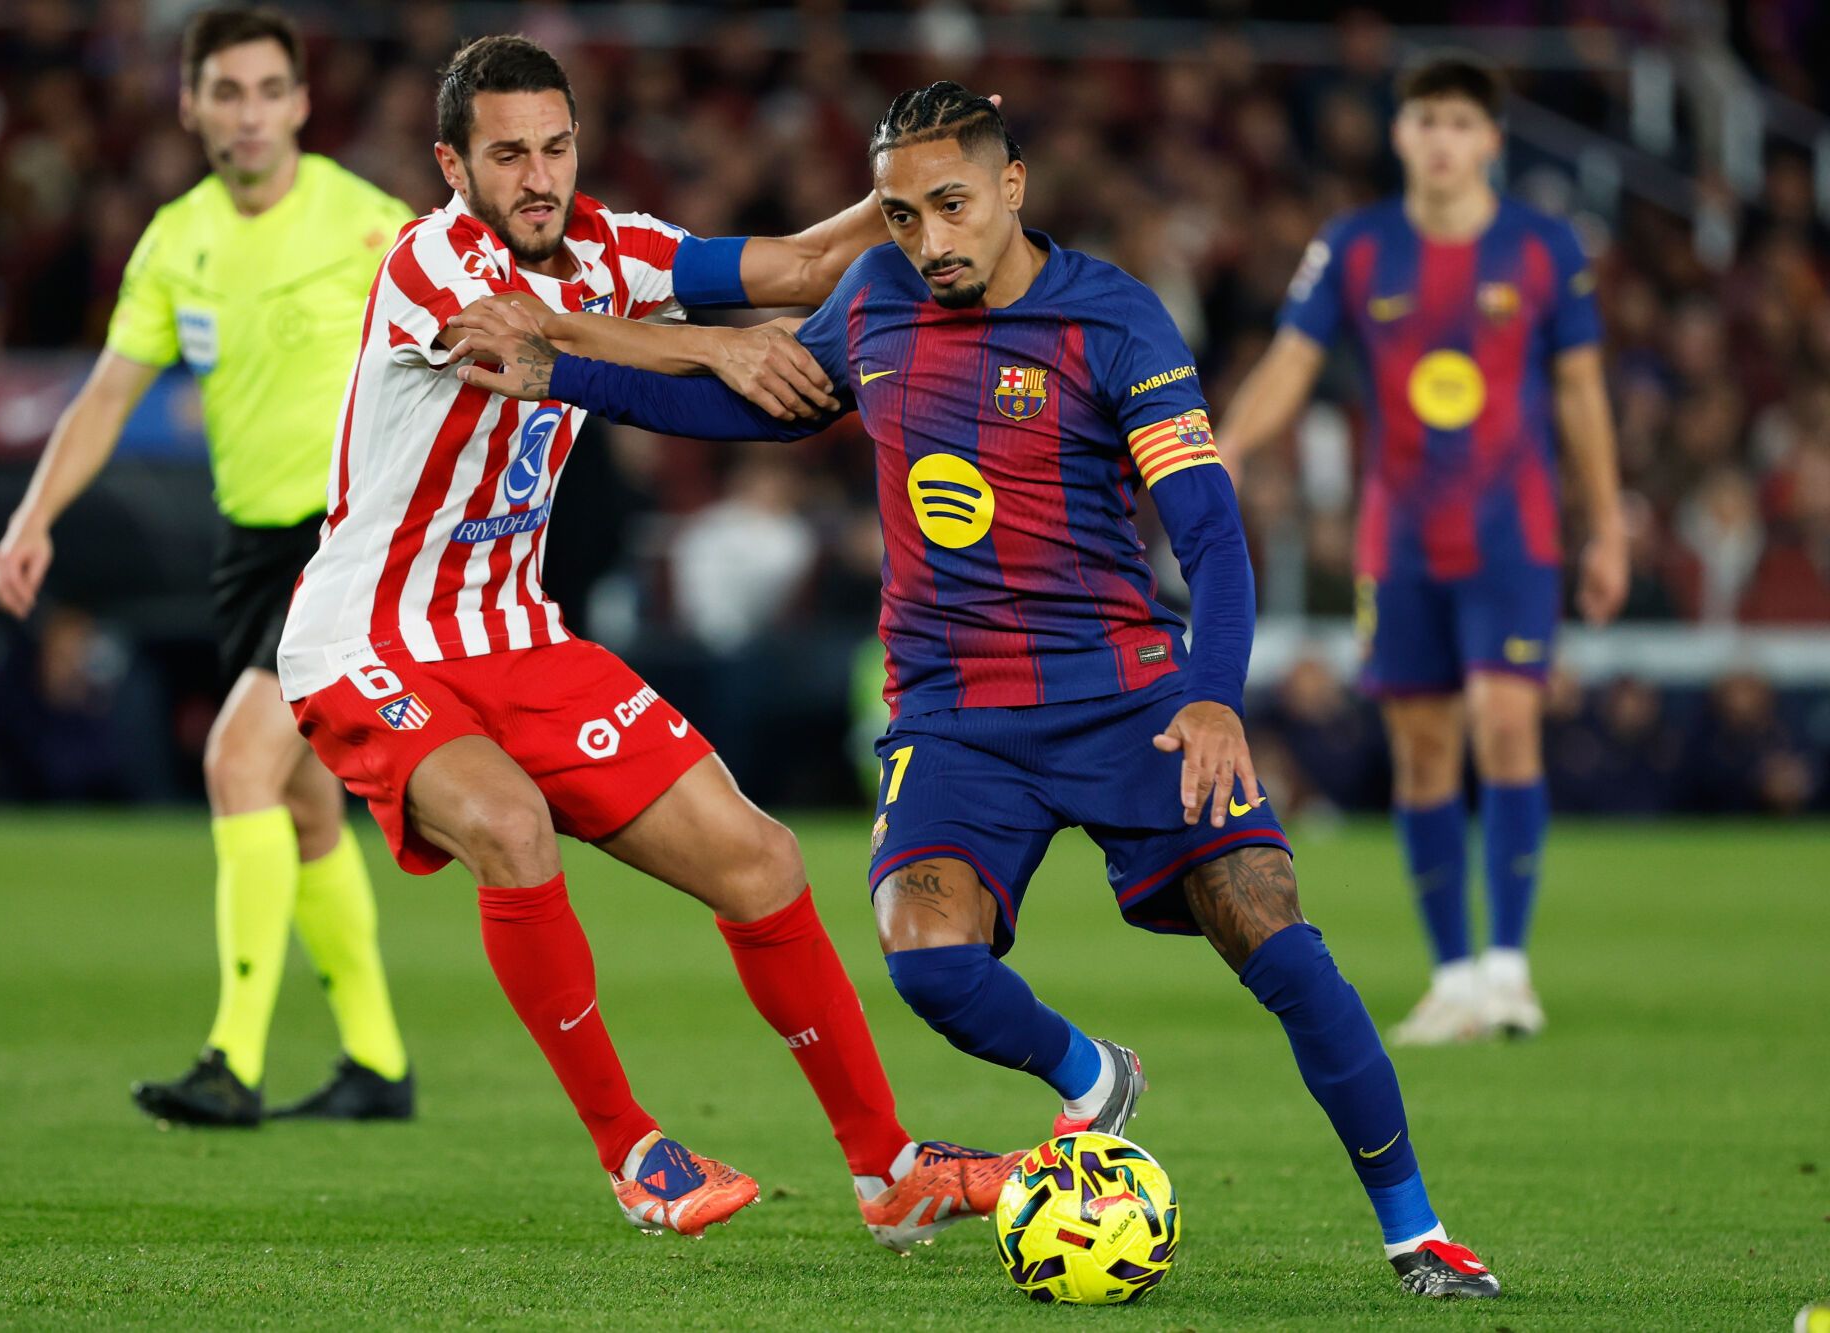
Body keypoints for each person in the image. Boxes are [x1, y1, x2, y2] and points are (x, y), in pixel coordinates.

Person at [456, 81, 1502, 1300]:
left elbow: (1211, 535)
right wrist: (556, 373)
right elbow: (747, 406)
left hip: (1129, 698)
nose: (928, 241)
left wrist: (1213, 694)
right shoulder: (878, 300)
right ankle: (1089, 1074)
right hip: (955, 711)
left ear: (1011, 187)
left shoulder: (1114, 322)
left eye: (951, 205)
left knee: (1275, 937)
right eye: (899, 215)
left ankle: (1415, 1231)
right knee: (924, 959)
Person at [275, 35, 1018, 1249]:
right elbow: (529, 332)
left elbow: (803, 264)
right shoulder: (427, 262)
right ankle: (632, 1154)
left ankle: (886, 1169)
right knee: (509, 825)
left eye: (554, 148)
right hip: (371, 640)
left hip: (516, 634)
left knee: (761, 860)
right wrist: (708, 343)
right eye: (505, 153)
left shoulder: (618, 248)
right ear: (450, 165)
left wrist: (924, 178)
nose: (535, 177)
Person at [0, 7, 417, 1126]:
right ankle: (377, 1065)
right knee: (306, 806)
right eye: (225, 92)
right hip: (251, 546)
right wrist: (34, 516)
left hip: (348, 540)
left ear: (302, 103)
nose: (248, 112)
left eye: (268, 88)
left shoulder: (372, 226)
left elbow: (475, 341)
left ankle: (232, 1058)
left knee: (236, 759)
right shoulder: (176, 239)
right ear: (189, 107)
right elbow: (105, 397)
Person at [1219, 54, 1627, 1044]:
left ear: (1489, 140)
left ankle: (1507, 969)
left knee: (1504, 723)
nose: (1440, 139)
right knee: (1423, 747)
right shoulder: (1355, 247)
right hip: (1394, 541)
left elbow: (1577, 390)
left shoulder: (1540, 249)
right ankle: (1450, 974)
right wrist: (1223, 451)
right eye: (1424, 121)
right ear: (1398, 134)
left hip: (1512, 535)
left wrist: (1605, 524)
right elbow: (1291, 360)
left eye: (1457, 123)